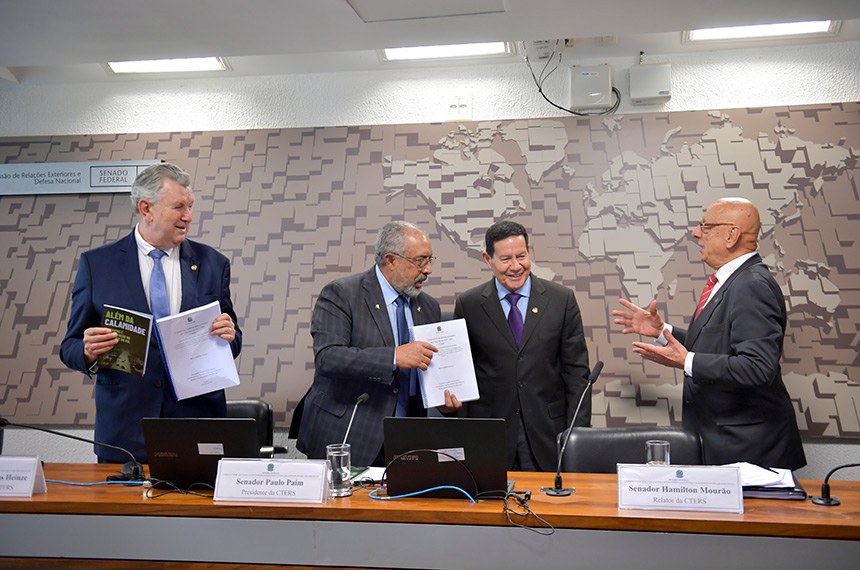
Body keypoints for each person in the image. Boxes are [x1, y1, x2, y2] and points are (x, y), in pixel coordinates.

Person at [60, 162, 242, 463]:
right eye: (179, 207)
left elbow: (232, 341)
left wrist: (229, 335)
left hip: (197, 426)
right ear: (147, 209)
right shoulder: (98, 265)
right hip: (125, 433)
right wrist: (88, 351)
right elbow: (70, 347)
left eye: (191, 206)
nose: (188, 217)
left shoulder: (213, 263)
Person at [612, 197, 805, 469]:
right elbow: (716, 347)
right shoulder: (733, 281)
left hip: (750, 453)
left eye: (706, 226)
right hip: (725, 445)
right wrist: (662, 331)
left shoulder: (752, 286)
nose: (696, 233)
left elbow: (758, 367)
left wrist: (686, 362)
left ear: (731, 235)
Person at [296, 221, 461, 466]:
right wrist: (393, 357)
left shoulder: (428, 306)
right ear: (391, 260)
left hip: (407, 439)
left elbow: (428, 371)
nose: (428, 270)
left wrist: (444, 402)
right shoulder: (342, 294)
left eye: (430, 260)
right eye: (420, 261)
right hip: (348, 433)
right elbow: (328, 358)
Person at [454, 220, 592, 472]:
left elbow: (576, 375)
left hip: (547, 435)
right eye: (506, 259)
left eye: (522, 256)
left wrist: (576, 436)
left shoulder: (561, 300)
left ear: (530, 252)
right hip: (490, 436)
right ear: (488, 259)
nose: (516, 266)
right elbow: (464, 374)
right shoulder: (469, 305)